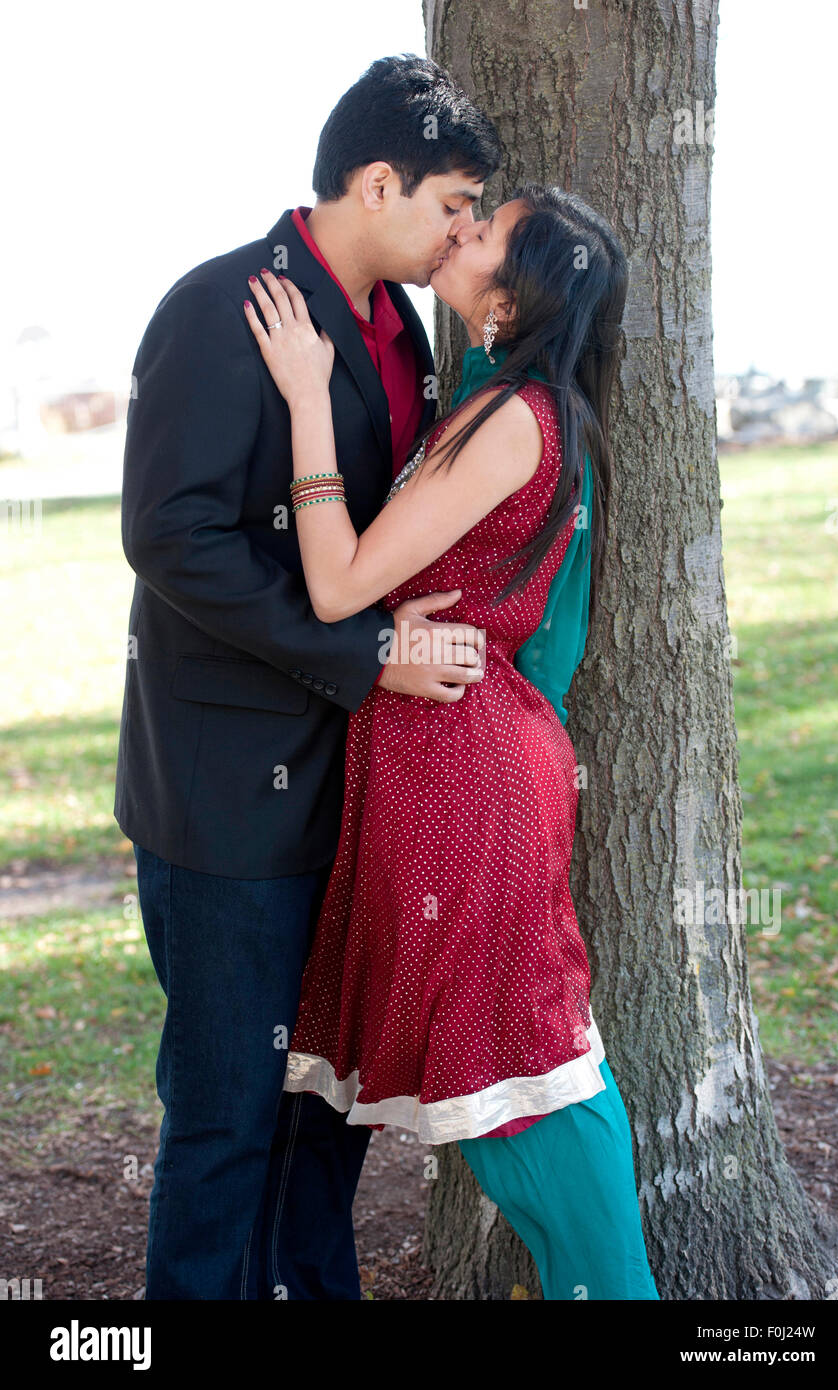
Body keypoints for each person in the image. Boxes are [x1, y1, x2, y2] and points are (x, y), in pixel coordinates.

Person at [115, 54, 503, 1300]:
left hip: (360, 790)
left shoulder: (405, 331)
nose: (462, 229)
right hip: (229, 795)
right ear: (377, 181)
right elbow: (172, 537)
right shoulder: (220, 303)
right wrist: (367, 651)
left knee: (327, 1113)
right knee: (228, 1113)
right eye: (452, 201)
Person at [243, 181, 660, 1301]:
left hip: (467, 782)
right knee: (493, 1070)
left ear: (515, 300)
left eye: (487, 233)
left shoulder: (516, 419)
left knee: (524, 1070)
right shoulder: (492, 399)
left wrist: (304, 398)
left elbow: (335, 584)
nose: (462, 232)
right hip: (445, 767)